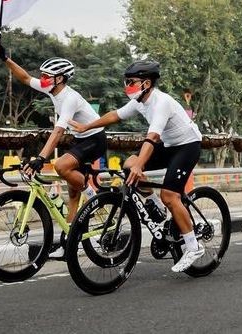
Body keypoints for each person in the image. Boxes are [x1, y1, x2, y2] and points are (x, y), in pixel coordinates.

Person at [69, 60, 205, 273]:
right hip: (169, 146)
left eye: (131, 82)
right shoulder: (140, 101)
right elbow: (115, 115)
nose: (127, 86)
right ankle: (153, 203)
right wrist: (88, 126)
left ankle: (193, 247)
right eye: (126, 82)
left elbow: (152, 138)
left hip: (188, 146)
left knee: (170, 196)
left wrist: (141, 164)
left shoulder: (161, 102)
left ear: (147, 83)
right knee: (129, 164)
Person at [0, 43, 106, 258]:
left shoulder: (70, 98)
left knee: (60, 165)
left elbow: (57, 132)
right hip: (80, 139)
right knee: (72, 193)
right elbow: (26, 79)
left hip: (95, 139)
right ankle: (70, 243)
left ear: (60, 79)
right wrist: (5, 59)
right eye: (44, 76)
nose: (44, 79)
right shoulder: (51, 88)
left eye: (48, 76)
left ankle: (94, 196)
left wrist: (41, 158)